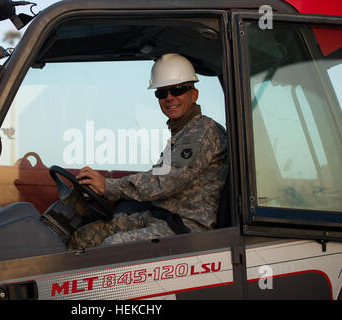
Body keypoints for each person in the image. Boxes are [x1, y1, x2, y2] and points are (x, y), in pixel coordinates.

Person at [67, 53, 228, 249]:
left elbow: (165, 181)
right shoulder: (183, 132)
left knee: (112, 247)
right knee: (84, 236)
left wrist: (108, 187)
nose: (169, 98)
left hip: (187, 227)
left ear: (193, 95)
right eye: (162, 93)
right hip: (161, 217)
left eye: (177, 90)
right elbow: (159, 176)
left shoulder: (203, 131)